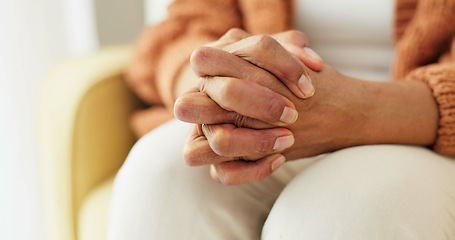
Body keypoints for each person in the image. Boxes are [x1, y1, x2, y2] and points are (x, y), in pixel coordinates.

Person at [108, 0, 455, 239]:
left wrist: (353, 111)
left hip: (419, 128)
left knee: (343, 212)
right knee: (160, 175)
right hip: (277, 113)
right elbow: (185, 25)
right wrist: (217, 84)